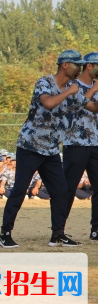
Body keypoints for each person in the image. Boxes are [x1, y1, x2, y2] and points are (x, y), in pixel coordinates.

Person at [0, 50, 98, 248]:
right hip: (30, 146)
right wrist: (70, 92)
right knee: (19, 190)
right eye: (76, 64)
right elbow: (49, 103)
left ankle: (57, 235)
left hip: (52, 149)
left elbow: (89, 107)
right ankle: (5, 233)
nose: (79, 68)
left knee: (61, 191)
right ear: (64, 65)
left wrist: (91, 90)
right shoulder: (44, 82)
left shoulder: (73, 87)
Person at [60, 52, 98, 240]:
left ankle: (96, 229)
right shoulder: (72, 85)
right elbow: (76, 106)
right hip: (75, 143)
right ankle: (58, 230)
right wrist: (94, 90)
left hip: (95, 143)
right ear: (89, 66)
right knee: (68, 187)